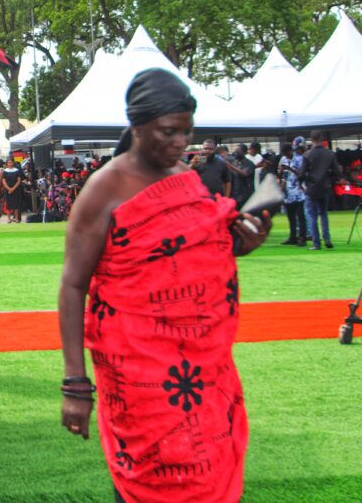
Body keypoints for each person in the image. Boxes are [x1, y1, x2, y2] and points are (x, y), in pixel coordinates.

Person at [58, 68, 270, 503]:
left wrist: (245, 244)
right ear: (137, 127)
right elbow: (73, 285)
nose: (181, 144)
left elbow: (201, 257)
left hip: (203, 368)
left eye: (188, 133)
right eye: (169, 132)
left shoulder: (185, 177)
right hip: (136, 371)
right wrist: (76, 384)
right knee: (148, 477)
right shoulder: (104, 189)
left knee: (207, 470)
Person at [302, 130, 340, 250]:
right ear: (322, 138)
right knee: (324, 213)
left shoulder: (307, 154)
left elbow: (302, 173)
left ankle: (316, 243)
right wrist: (330, 179)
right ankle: (327, 238)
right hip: (325, 186)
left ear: (311, 139)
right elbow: (337, 172)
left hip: (312, 187)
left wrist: (302, 184)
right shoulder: (330, 154)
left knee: (312, 216)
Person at [278, 142, 307, 246]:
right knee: (290, 216)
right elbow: (281, 174)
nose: (285, 156)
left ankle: (302, 238)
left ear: (291, 151)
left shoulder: (299, 159)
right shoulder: (283, 160)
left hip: (298, 191)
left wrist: (290, 169)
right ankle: (293, 237)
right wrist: (281, 173)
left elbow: (302, 174)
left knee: (300, 216)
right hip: (287, 192)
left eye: (287, 153)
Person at [1, 158, 24, 223]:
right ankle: (9, 218)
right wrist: (8, 188)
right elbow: (3, 181)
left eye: (11, 162)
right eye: (9, 162)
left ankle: (16, 218)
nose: (10, 164)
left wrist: (13, 188)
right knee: (8, 204)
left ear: (13, 163)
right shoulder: (5, 171)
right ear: (7, 163)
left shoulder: (17, 170)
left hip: (16, 189)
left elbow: (19, 180)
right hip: (7, 190)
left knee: (16, 204)